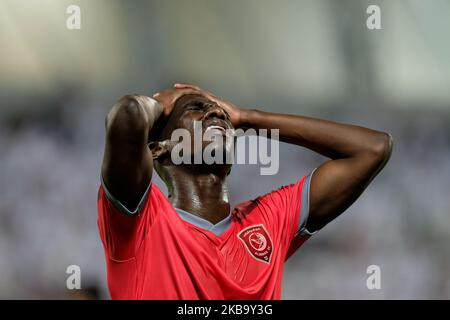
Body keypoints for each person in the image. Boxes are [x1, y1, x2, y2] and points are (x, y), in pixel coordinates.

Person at [98, 83, 393, 299]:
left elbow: (372, 149)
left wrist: (249, 117)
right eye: (196, 109)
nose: (216, 111)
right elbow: (127, 115)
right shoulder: (139, 223)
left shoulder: (268, 220)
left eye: (223, 115)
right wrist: (163, 103)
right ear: (159, 149)